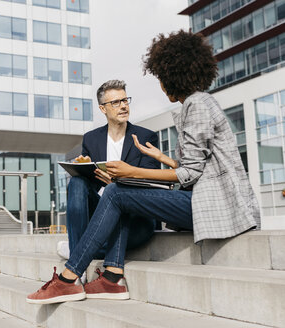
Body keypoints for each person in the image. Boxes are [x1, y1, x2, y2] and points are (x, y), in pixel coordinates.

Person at [27, 30, 260, 304]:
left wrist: (131, 171)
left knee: (118, 191)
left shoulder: (196, 105)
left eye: (161, 78)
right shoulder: (199, 103)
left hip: (214, 205)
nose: (160, 85)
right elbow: (201, 166)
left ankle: (68, 279)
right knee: (119, 191)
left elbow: (190, 174)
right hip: (205, 199)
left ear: (173, 76)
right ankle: (112, 276)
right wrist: (165, 159)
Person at [57, 80, 160, 271]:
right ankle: (78, 260)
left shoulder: (146, 137)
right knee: (77, 183)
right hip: (102, 212)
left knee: (115, 192)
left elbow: (152, 183)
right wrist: (84, 168)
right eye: (115, 102)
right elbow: (93, 187)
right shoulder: (91, 138)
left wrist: (118, 182)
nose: (123, 106)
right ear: (103, 109)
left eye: (125, 100)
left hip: (136, 217)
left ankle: (75, 251)